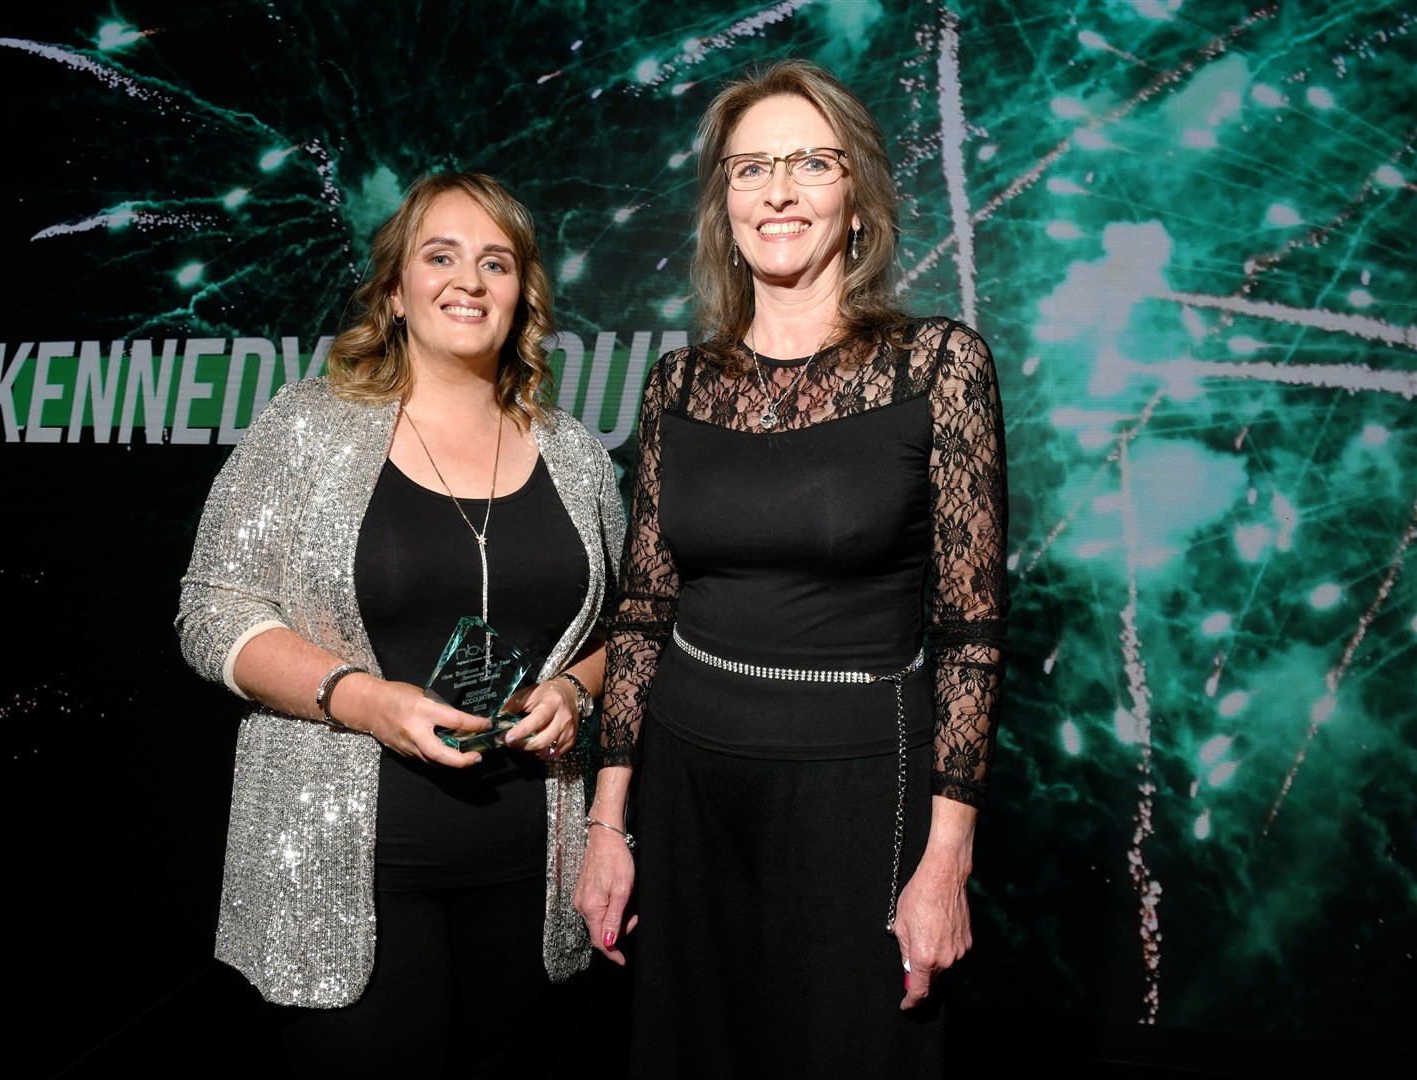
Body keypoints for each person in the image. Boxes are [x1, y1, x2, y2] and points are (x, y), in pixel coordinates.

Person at [572, 58, 1008, 1076]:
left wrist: (947, 860)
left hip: (862, 790)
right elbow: (641, 612)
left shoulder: (940, 365)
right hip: (686, 792)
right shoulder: (677, 382)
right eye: (749, 168)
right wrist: (607, 820)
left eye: (810, 163)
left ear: (854, 195)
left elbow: (972, 636)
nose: (777, 191)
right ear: (724, 204)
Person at [176, 171, 625, 1078]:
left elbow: (628, 629)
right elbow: (210, 609)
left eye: (495, 262)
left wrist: (578, 689)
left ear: (522, 295)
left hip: (531, 867)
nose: (469, 280)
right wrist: (362, 699)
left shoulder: (574, 452)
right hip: (346, 866)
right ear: (395, 292)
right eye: (441, 256)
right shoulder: (308, 427)